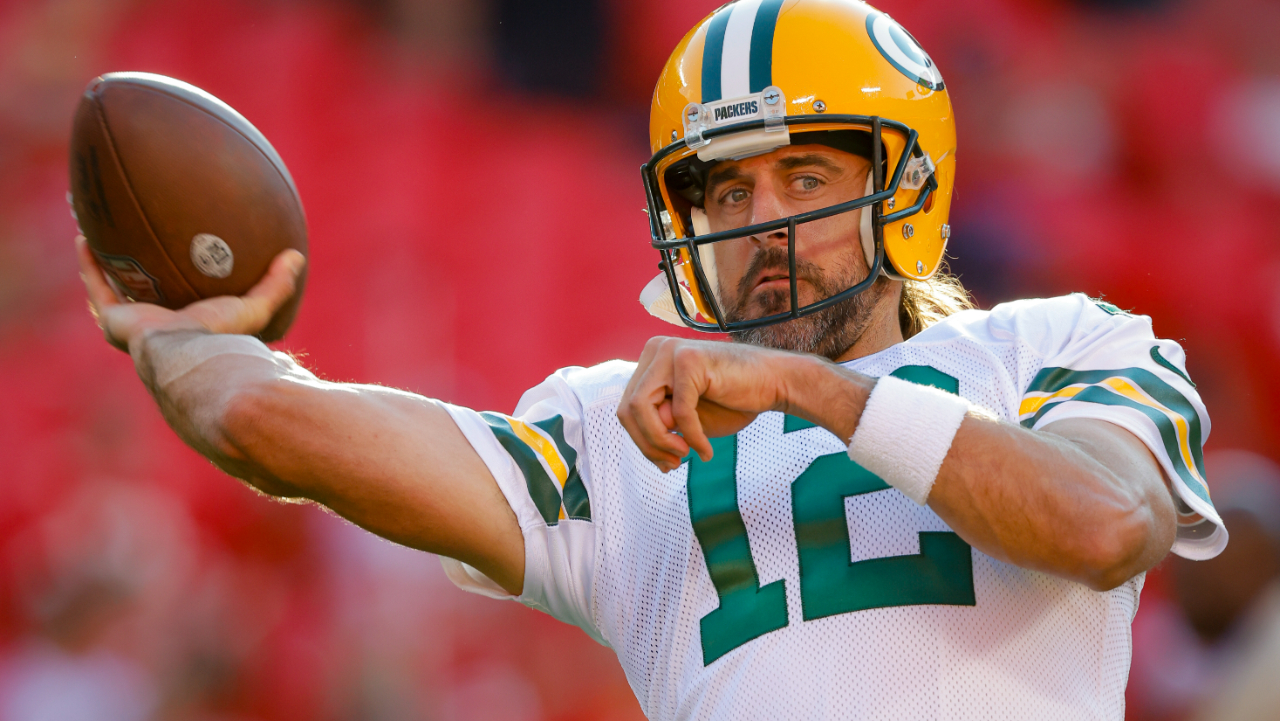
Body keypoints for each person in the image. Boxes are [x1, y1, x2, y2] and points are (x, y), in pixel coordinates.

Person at [76, 1, 1225, 718]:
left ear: (902, 184)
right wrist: (186, 347)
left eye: (805, 178)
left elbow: (1098, 525)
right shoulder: (613, 433)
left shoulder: (1057, 345)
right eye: (725, 190)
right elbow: (273, 428)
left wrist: (811, 390)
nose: (759, 223)